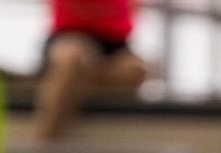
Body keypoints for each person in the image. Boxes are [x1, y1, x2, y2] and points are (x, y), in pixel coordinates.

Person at [31, 0, 147, 143]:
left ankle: (75, 78)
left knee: (136, 70)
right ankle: (44, 138)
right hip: (70, 36)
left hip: (113, 43)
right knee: (73, 59)